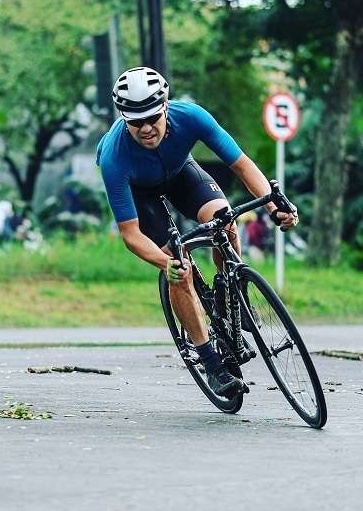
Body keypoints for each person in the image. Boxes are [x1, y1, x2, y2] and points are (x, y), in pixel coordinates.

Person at [97, 67, 298, 398]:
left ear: (165, 107)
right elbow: (131, 234)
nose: (146, 129)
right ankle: (211, 363)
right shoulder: (114, 156)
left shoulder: (191, 116)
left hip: (180, 174)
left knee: (226, 222)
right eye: (136, 122)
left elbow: (242, 165)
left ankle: (230, 295)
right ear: (123, 118)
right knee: (180, 266)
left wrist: (273, 207)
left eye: (152, 118)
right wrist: (166, 265)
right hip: (140, 192)